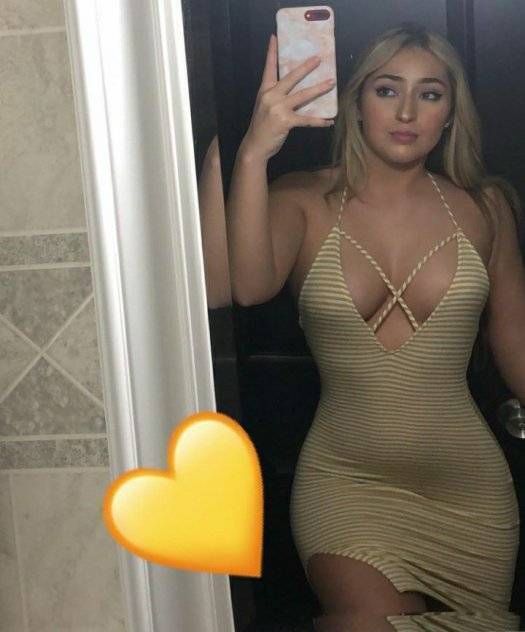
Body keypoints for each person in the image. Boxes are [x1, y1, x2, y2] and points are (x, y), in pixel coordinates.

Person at [205, 21, 525, 632]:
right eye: (386, 89)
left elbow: (515, 339)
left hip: (469, 492)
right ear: (354, 102)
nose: (406, 112)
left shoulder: (485, 207)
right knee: (366, 619)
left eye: (429, 94)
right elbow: (237, 285)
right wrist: (250, 151)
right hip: (347, 482)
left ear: (450, 113)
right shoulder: (301, 200)